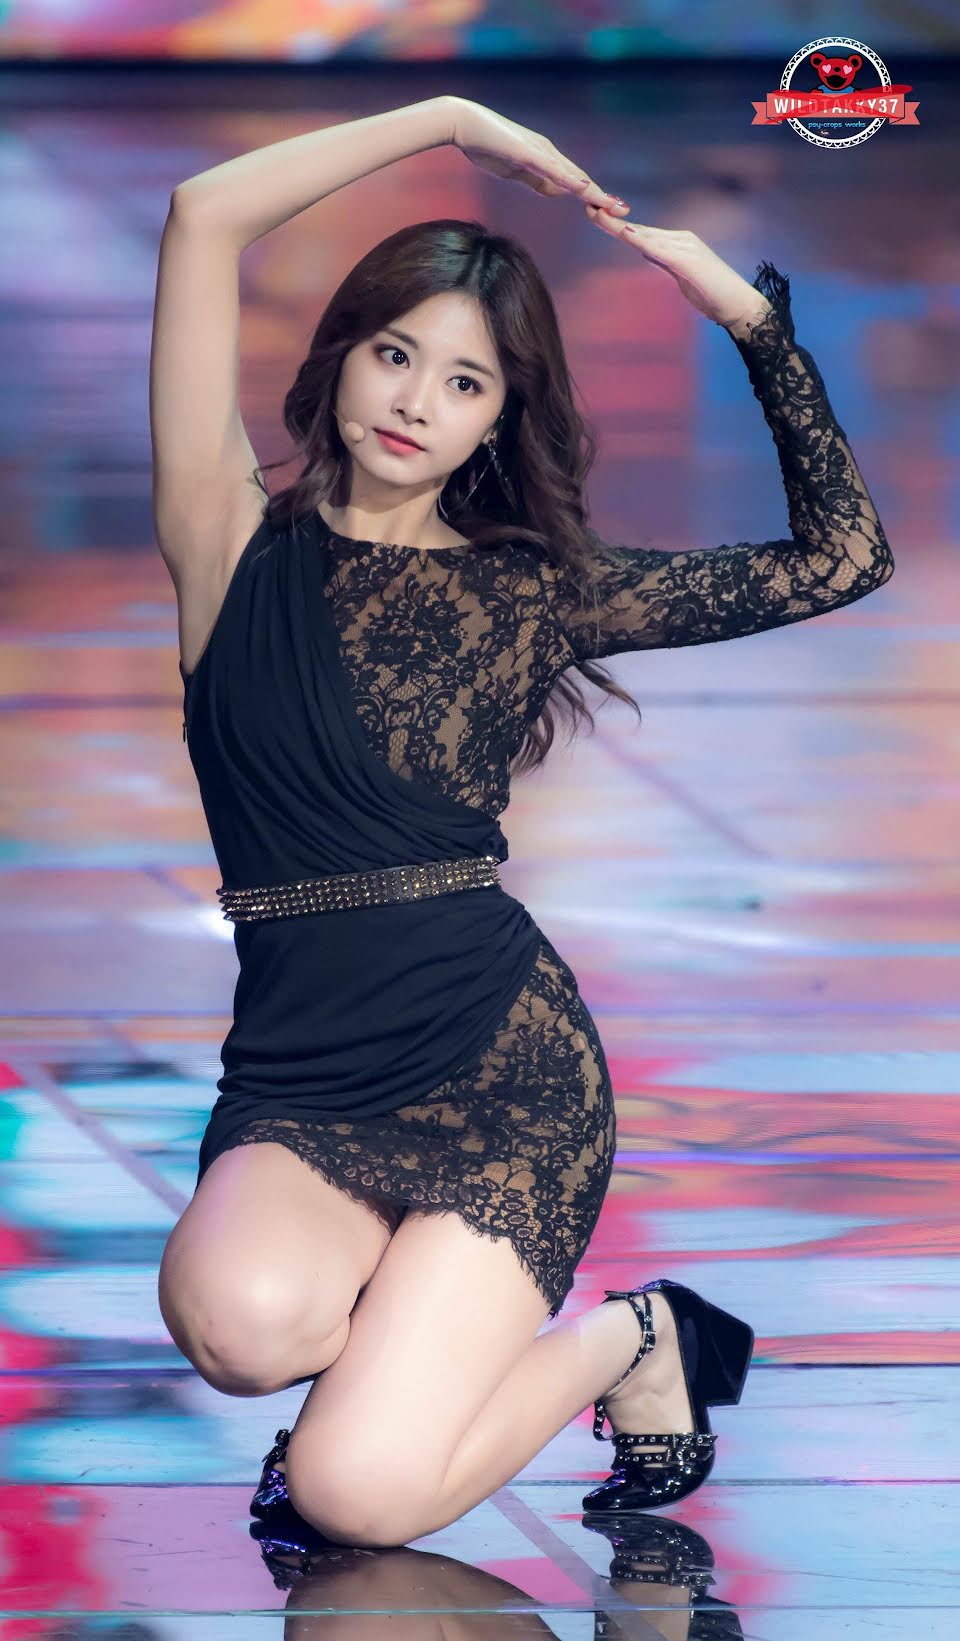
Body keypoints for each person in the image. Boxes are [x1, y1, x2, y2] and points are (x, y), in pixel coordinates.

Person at [149, 95, 894, 1551]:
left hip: (505, 1075)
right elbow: (203, 216)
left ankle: (639, 1337)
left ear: (502, 417)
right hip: (305, 1074)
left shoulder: (533, 588)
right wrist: (444, 119)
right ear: (343, 355)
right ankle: (410, 1341)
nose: (415, 400)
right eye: (394, 353)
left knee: (358, 1497)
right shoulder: (225, 541)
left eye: (465, 381)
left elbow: (842, 558)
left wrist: (752, 323)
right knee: (240, 1326)